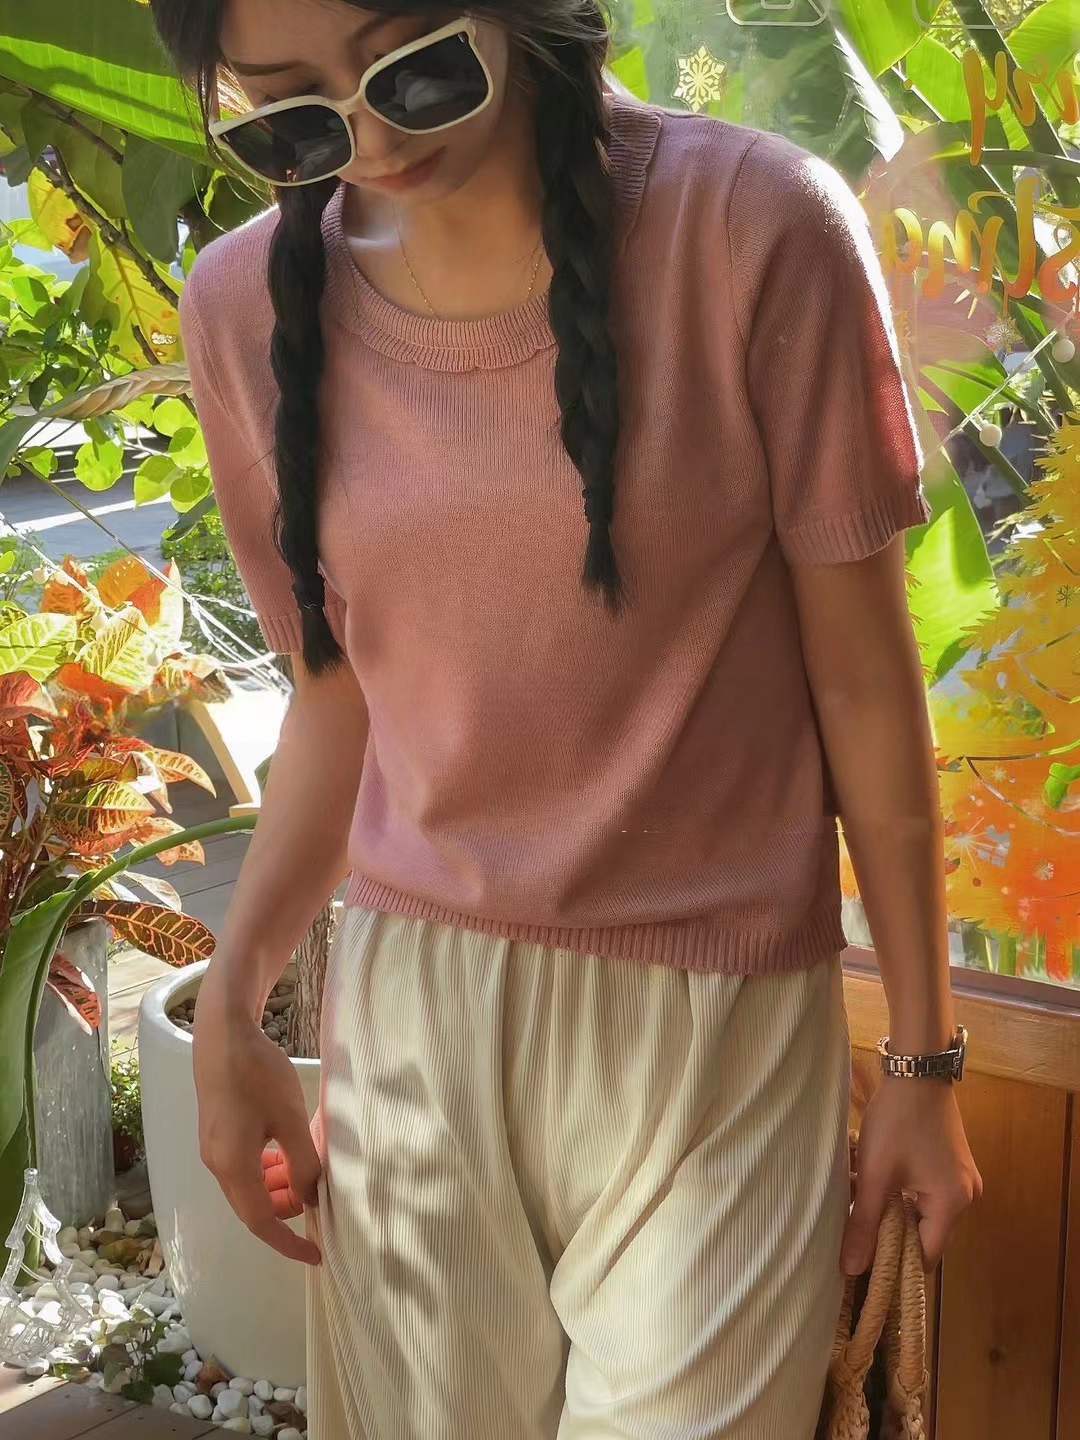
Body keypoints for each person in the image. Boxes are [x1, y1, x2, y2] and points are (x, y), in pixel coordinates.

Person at [149, 3, 983, 1436]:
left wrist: (923, 1055)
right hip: (412, 1018)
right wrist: (233, 1003)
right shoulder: (246, 308)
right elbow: (341, 703)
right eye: (292, 119)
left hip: (717, 1028)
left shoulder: (753, 228)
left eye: (414, 64)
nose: (373, 140)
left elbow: (863, 680)